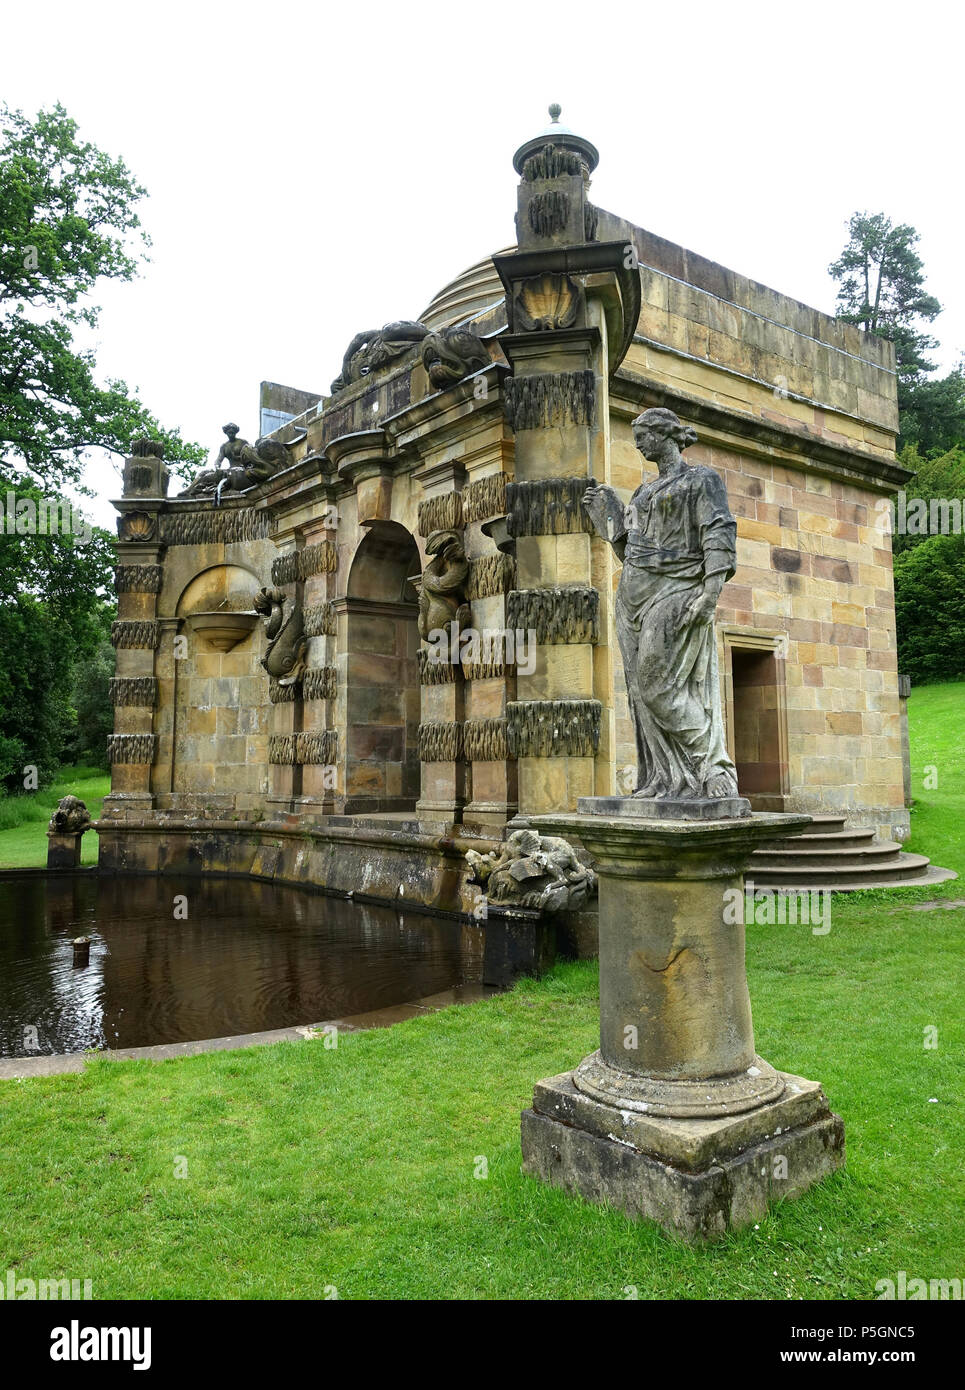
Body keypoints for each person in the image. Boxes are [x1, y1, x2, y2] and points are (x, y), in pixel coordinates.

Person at [582, 407, 741, 802]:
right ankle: (664, 779)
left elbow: (718, 530)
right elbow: (629, 549)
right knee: (639, 691)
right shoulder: (642, 492)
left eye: (644, 434)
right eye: (635, 435)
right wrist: (609, 519)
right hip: (632, 597)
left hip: (678, 587)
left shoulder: (701, 480)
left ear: (666, 434)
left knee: (657, 684)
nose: (637, 442)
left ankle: (712, 767)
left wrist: (711, 591)